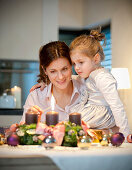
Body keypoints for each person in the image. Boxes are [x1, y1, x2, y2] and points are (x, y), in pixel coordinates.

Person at [30, 30, 130, 138]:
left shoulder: (103, 77)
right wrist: (47, 81)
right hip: (92, 113)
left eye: (81, 62)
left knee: (68, 126)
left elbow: (117, 106)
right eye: (74, 64)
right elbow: (67, 78)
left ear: (96, 58)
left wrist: (125, 134)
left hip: (101, 115)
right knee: (69, 125)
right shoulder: (87, 75)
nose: (76, 68)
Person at [20, 41, 85, 123]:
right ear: (45, 70)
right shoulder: (36, 97)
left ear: (71, 64)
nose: (60, 77)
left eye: (64, 69)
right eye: (53, 71)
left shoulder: (86, 88)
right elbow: (20, 132)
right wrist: (29, 122)